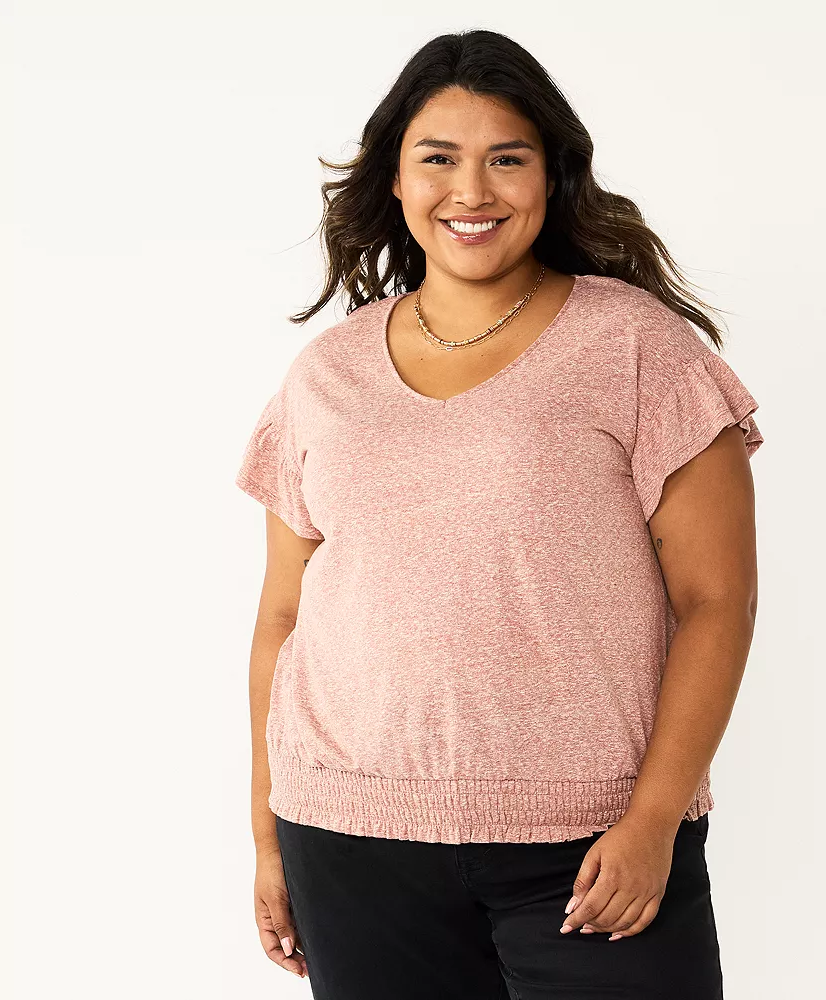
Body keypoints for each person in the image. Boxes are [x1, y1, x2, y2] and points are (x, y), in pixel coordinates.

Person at [235, 28, 763, 1000]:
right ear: (396, 179)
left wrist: (653, 821)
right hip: (348, 838)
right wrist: (267, 838)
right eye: (438, 158)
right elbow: (282, 616)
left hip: (592, 844)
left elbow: (716, 601)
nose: (470, 191)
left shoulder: (637, 347)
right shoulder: (326, 372)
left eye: (506, 159)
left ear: (551, 176)